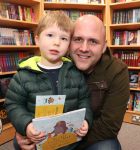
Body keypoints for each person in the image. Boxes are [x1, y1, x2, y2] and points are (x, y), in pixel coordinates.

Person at [15, 14, 130, 150]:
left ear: (104, 47)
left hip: (89, 133)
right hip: (54, 131)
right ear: (69, 42)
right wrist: (23, 127)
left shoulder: (117, 70)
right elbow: (21, 102)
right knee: (21, 142)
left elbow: (109, 126)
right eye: (78, 39)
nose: (84, 48)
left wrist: (67, 141)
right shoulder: (57, 59)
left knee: (108, 147)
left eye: (93, 41)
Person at [5, 11, 93, 150]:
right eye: (50, 35)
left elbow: (84, 100)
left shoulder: (75, 73)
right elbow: (13, 105)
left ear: (69, 44)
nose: (56, 42)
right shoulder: (23, 76)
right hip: (38, 141)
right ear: (38, 39)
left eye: (64, 38)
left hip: (69, 142)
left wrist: (86, 120)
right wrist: (27, 125)